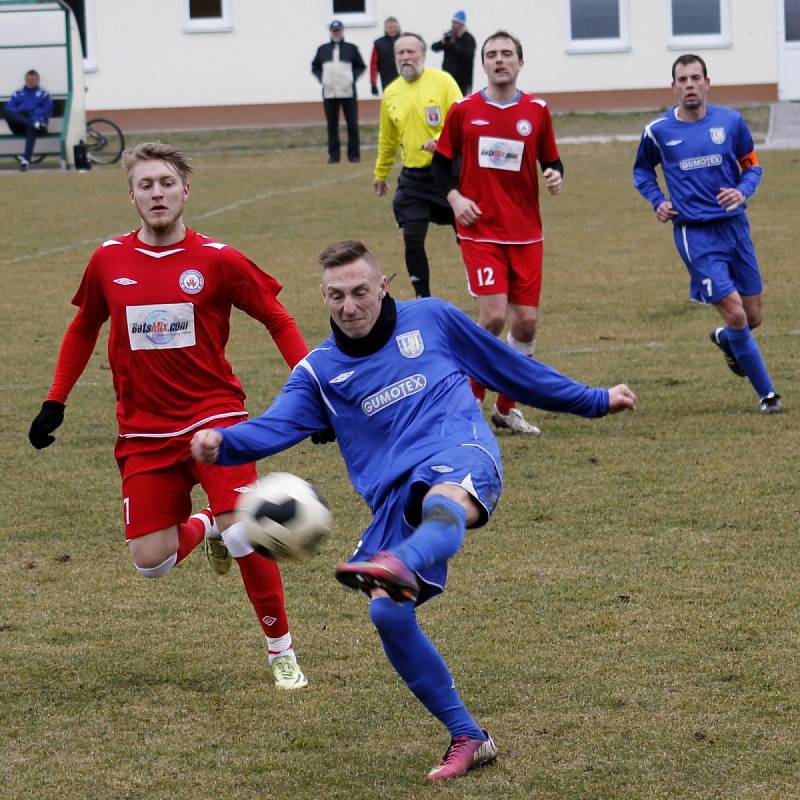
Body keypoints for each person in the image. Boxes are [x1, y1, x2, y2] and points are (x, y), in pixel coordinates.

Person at [191, 239, 637, 781]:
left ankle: (402, 561)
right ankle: (471, 736)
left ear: (383, 286)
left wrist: (592, 400)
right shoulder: (320, 375)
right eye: (337, 296)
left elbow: (509, 370)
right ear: (323, 298)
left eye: (360, 291)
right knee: (387, 613)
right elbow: (276, 426)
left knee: (443, 500)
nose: (350, 306)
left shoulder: (434, 319)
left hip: (458, 450)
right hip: (393, 496)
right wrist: (224, 444)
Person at [27, 142, 311, 689]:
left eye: (166, 183)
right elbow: (84, 326)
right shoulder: (108, 259)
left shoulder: (219, 259)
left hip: (216, 418)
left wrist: (310, 388)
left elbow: (277, 317)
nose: (156, 192)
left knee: (244, 533)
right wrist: (54, 400)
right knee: (151, 562)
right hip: (142, 429)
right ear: (131, 195)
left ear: (185, 191)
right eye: (145, 184)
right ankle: (203, 522)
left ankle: (281, 650)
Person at [432, 31, 565, 435]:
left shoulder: (537, 111)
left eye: (507, 54)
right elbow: (440, 165)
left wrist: (555, 175)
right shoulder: (464, 110)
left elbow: (553, 160)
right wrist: (456, 199)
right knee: (491, 316)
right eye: (492, 55)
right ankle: (467, 403)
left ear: (520, 63)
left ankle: (506, 409)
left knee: (525, 322)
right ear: (484, 64)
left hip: (526, 232)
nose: (499, 60)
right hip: (479, 230)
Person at [633, 54, 781, 414]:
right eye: (682, 79)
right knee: (736, 316)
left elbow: (752, 166)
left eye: (695, 78)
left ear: (707, 83)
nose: (689, 85)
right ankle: (768, 396)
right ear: (673, 87)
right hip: (695, 235)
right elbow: (642, 171)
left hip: (735, 228)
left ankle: (727, 341)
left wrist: (742, 190)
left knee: (753, 316)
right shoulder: (658, 131)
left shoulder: (731, 123)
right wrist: (657, 201)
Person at [373, 33, 462, 298]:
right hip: (413, 178)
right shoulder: (391, 92)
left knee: (468, 234)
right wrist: (381, 172)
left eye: (411, 52)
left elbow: (461, 120)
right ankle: (423, 297)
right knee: (412, 237)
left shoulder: (443, 81)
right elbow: (387, 138)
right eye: (401, 53)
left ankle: (479, 282)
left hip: (448, 173)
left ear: (423, 54)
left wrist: (440, 140)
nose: (405, 58)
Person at [311, 20, 366, 164]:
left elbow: (361, 66)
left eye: (339, 30)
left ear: (342, 31)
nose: (337, 33)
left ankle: (354, 155)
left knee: (352, 124)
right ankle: (334, 156)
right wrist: (322, 78)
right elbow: (315, 66)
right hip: (329, 93)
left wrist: (352, 78)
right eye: (334, 30)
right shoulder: (322, 49)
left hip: (348, 92)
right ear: (331, 32)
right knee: (332, 125)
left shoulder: (351, 48)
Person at [3, 69, 53, 171]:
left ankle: (25, 161)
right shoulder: (18, 93)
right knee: (7, 112)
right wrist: (22, 111)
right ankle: (32, 123)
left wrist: (32, 114)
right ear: (25, 80)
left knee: (31, 128)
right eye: (28, 79)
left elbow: (48, 109)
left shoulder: (44, 94)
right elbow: (9, 108)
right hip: (21, 125)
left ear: (38, 80)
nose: (30, 82)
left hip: (39, 127)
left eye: (33, 79)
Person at [431, 10, 476, 95]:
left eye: (456, 23)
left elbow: (467, 57)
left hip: (462, 81)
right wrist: (443, 42)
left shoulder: (469, 39)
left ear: (462, 24)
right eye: (453, 22)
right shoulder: (449, 37)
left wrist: (453, 44)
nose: (453, 25)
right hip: (447, 78)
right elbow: (434, 48)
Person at [370, 16, 401, 96]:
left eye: (394, 27)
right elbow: (373, 65)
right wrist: (373, 83)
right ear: (385, 29)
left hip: (405, 77)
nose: (392, 30)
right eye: (390, 27)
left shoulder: (405, 40)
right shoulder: (378, 43)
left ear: (398, 28)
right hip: (387, 79)